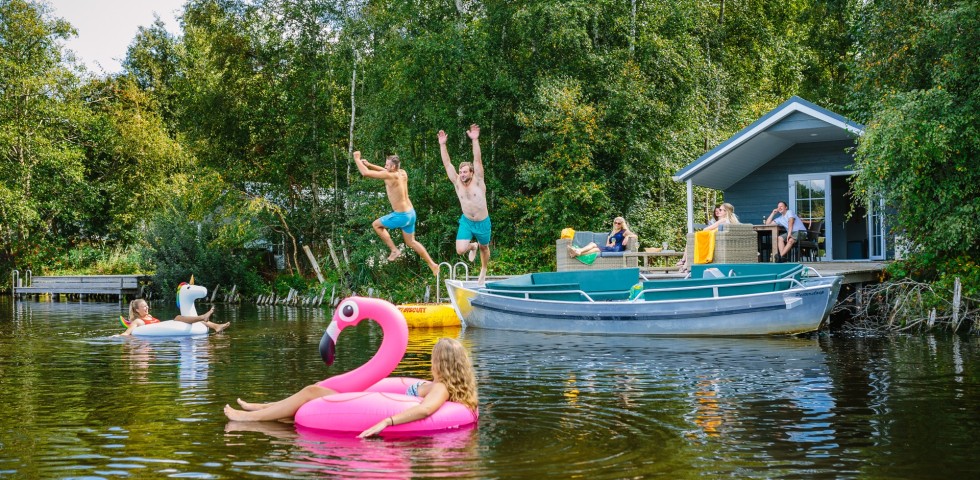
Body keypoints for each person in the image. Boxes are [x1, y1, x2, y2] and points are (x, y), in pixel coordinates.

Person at [223, 337, 479, 438]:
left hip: (365, 406)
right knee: (307, 397)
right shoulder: (444, 384)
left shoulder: (441, 388)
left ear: (442, 362)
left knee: (311, 392)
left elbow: (425, 410)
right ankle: (262, 407)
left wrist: (386, 422)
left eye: (434, 358)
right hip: (367, 398)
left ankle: (249, 417)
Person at [354, 150, 440, 275]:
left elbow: (365, 173)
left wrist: (357, 159)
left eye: (387, 165)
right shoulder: (402, 173)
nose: (385, 167)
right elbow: (383, 171)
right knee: (411, 242)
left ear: (393, 167)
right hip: (411, 214)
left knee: (376, 225)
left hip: (402, 216)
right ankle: (433, 265)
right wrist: (369, 164)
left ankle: (394, 250)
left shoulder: (391, 176)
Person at [438, 124, 491, 285]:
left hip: (482, 222)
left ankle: (483, 269)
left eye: (465, 172)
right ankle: (471, 246)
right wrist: (442, 145)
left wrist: (475, 140)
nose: (462, 174)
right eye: (460, 172)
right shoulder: (457, 183)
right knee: (460, 250)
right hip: (467, 221)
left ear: (471, 172)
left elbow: (477, 159)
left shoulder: (479, 180)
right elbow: (447, 164)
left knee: (484, 247)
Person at [120, 298, 228, 336]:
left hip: (166, 328)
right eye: (144, 307)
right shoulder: (138, 321)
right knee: (178, 317)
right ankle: (203, 317)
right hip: (163, 332)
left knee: (190, 318)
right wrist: (116, 337)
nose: (147, 307)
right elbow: (127, 333)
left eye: (147, 305)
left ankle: (216, 326)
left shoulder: (149, 316)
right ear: (137, 310)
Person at [567, 217, 633, 258]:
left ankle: (578, 252)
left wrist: (627, 236)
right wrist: (610, 244)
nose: (617, 224)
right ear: (613, 223)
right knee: (592, 244)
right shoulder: (611, 232)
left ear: (622, 224)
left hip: (617, 249)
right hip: (610, 247)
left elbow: (635, 236)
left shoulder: (624, 231)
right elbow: (607, 245)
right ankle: (578, 252)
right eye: (615, 223)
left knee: (595, 249)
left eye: (619, 223)